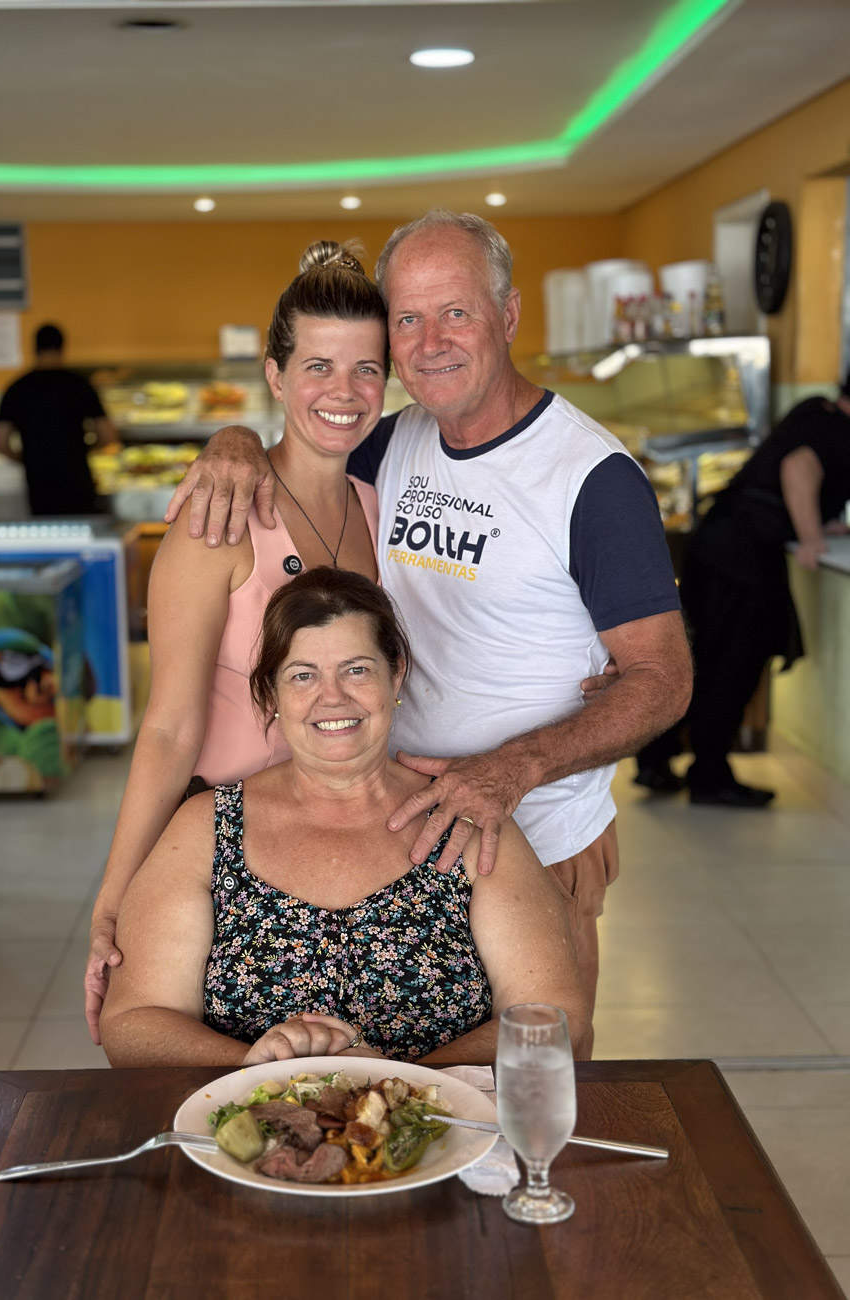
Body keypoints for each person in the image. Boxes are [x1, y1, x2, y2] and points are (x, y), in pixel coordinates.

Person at [166, 210, 692, 1036]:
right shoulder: (396, 440)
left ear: (507, 315)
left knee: (523, 1076)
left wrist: (508, 771)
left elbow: (663, 680)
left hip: (531, 838)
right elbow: (302, 438)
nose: (430, 341)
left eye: (456, 312)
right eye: (407, 318)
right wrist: (232, 439)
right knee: (401, 1092)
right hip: (395, 837)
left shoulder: (591, 478)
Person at [99, 566, 589, 1067]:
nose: (331, 697)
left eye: (357, 669)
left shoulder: (464, 819)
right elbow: (133, 1022)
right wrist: (252, 1065)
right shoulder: (208, 828)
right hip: (252, 1135)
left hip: (442, 1133)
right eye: (303, 675)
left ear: (394, 675)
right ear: (271, 695)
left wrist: (400, 1093)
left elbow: (555, 1016)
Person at [85, 243, 388, 1045]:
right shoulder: (217, 520)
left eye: (366, 369)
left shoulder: (379, 506)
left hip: (350, 842)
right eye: (317, 366)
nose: (344, 392)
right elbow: (167, 728)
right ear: (275, 376)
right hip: (228, 853)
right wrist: (115, 899)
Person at [636, 372, 850, 806]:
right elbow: (797, 468)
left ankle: (656, 759)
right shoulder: (836, 428)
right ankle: (709, 774)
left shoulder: (817, 409)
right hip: (741, 557)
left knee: (706, 661)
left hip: (721, 545)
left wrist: (820, 521)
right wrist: (811, 535)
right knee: (733, 664)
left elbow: (785, 471)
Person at [0, 322, 115, 516]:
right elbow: (108, 435)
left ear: (34, 349)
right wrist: (84, 449)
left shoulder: (17, 389)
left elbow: (1, 442)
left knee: (47, 537)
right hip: (77, 480)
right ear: (62, 348)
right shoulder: (79, 385)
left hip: (38, 484)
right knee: (81, 536)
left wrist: (26, 458)